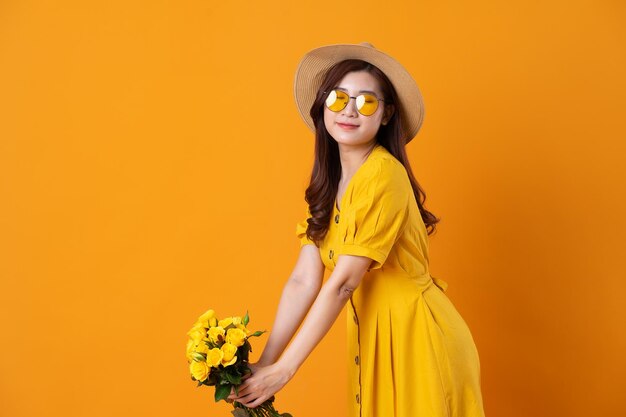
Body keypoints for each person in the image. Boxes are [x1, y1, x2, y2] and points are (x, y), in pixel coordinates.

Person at [228, 42, 486, 417]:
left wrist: (284, 370)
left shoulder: (383, 175)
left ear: (385, 115)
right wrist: (266, 362)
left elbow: (344, 281)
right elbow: (304, 279)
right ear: (323, 105)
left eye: (366, 101)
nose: (349, 110)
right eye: (338, 98)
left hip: (418, 338)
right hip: (373, 337)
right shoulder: (330, 183)